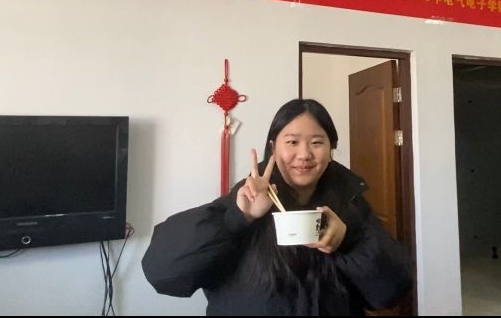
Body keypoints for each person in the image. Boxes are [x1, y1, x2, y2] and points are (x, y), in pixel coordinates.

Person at [142, 99, 412, 315]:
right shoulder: (243, 202)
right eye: (292, 142)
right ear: (273, 147)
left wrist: (347, 241)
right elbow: (163, 272)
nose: (304, 155)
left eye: (317, 142)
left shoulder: (350, 203)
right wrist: (238, 217)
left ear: (331, 148)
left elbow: (392, 290)